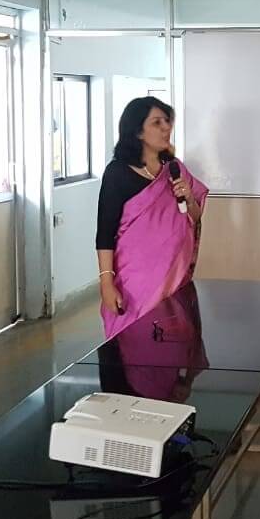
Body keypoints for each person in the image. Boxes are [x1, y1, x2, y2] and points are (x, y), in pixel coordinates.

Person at [95, 97, 208, 339]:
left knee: (174, 346)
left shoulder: (175, 168)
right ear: (137, 131)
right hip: (135, 284)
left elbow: (195, 217)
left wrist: (189, 199)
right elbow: (105, 233)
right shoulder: (117, 173)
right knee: (136, 344)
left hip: (174, 279)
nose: (166, 128)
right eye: (157, 123)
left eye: (167, 121)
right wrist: (106, 283)